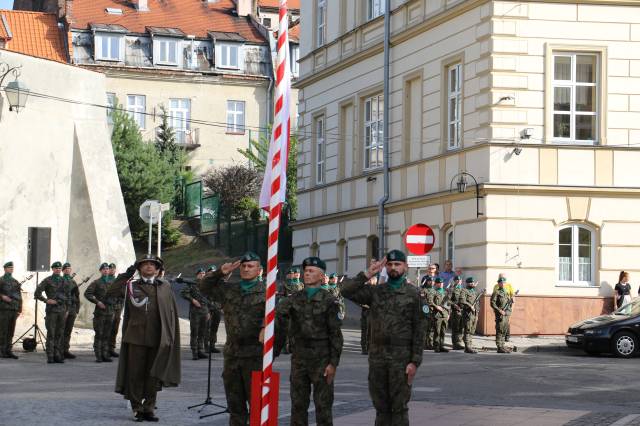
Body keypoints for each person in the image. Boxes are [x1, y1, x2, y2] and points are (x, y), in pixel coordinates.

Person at [341, 250, 426, 425]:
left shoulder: (413, 294)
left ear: (405, 266)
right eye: (389, 265)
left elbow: (419, 329)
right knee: (381, 407)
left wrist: (414, 361)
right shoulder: (376, 292)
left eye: (397, 264)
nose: (393, 268)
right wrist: (368, 273)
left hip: (401, 358)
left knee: (399, 407)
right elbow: (345, 291)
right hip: (378, 357)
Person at [107, 254, 181, 423]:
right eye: (145, 264)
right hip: (136, 338)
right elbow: (111, 292)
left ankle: (149, 408)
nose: (149, 267)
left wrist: (170, 336)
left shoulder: (165, 286)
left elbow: (170, 313)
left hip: (158, 337)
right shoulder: (131, 286)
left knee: (153, 375)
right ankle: (136, 408)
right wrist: (127, 274)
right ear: (139, 268)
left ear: (157, 269)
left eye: (152, 264)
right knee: (135, 374)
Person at [197, 252, 265, 426]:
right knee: (235, 406)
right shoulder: (229, 289)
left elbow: (279, 322)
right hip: (233, 355)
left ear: (259, 270)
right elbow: (204, 287)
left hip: (256, 356)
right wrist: (220, 272)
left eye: (251, 266)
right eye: (243, 266)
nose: (246, 269)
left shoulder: (267, 292)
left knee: (257, 404)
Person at [276, 257, 343, 425]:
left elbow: (335, 334)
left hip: (322, 359)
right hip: (299, 358)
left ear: (321, 276)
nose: (307, 273)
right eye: (305, 271)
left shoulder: (329, 301)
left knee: (323, 406)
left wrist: (333, 363)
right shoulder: (293, 299)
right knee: (298, 406)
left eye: (311, 271)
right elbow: (277, 319)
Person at [35, 261, 68, 364]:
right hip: (52, 311)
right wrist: (46, 300)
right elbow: (37, 293)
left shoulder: (64, 281)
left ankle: (57, 354)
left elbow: (69, 296)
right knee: (51, 333)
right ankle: (50, 355)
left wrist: (67, 309)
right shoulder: (48, 280)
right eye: (56, 268)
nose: (58, 269)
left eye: (59, 268)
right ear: (53, 269)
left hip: (62, 310)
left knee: (59, 333)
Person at [85, 263, 116, 363]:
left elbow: (120, 293)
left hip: (110, 311)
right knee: (99, 333)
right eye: (104, 269)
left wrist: (115, 302)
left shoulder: (113, 282)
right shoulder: (96, 282)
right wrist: (97, 302)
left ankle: (105, 354)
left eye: (107, 269)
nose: (106, 270)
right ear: (101, 271)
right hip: (100, 313)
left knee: (107, 334)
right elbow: (87, 293)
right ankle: (98, 355)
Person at [180, 268, 211, 360]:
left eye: (204, 273)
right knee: (195, 332)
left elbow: (209, 299)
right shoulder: (192, 284)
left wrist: (209, 311)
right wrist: (192, 300)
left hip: (205, 311)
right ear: (197, 275)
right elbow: (183, 293)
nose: (202, 275)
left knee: (202, 332)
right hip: (195, 312)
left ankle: (200, 350)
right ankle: (194, 352)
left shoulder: (206, 285)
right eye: (200, 273)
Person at [0, 261, 21, 359]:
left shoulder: (15, 282)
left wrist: (19, 309)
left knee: (11, 331)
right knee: (3, 330)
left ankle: (8, 350)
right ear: (5, 269)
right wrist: (2, 296)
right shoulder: (1, 280)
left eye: (12, 268)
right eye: (9, 268)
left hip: (13, 309)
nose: (11, 269)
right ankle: (1, 351)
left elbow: (19, 296)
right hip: (4, 309)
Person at [61, 262, 80, 360]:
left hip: (72, 309)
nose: (68, 270)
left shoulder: (73, 282)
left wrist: (77, 309)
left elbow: (77, 296)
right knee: (61, 330)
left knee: (68, 330)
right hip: (63, 309)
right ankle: (59, 350)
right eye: (66, 268)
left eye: (69, 268)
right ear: (63, 270)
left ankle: (65, 350)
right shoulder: (60, 281)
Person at [491, 277, 513, 353]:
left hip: (506, 314)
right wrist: (499, 311)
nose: (503, 284)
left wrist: (511, 302)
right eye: (501, 283)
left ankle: (503, 345)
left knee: (504, 330)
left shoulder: (506, 292)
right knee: (499, 330)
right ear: (499, 284)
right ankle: (499, 346)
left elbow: (508, 303)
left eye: (504, 283)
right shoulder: (496, 292)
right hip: (500, 314)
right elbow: (492, 303)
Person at [460, 277, 479, 354]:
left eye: (473, 282)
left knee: (472, 330)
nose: (472, 283)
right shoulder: (464, 291)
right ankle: (467, 347)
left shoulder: (474, 291)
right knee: (468, 329)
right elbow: (462, 300)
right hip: (468, 313)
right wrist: (469, 305)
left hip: (475, 313)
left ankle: (470, 345)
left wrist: (477, 310)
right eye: (470, 282)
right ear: (467, 283)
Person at [108, 263, 124, 358]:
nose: (112, 270)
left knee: (115, 328)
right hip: (109, 307)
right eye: (110, 269)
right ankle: (105, 348)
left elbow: (123, 293)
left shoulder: (118, 280)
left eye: (113, 269)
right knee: (107, 328)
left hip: (118, 307)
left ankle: (111, 348)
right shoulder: (106, 280)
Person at [206, 265, 222, 354]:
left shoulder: (219, 283)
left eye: (214, 272)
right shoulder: (205, 282)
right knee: (206, 327)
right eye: (211, 272)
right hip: (208, 308)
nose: (213, 273)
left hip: (217, 308)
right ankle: (205, 346)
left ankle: (212, 345)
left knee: (214, 328)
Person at [431, 277, 449, 353]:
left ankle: (441, 346)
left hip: (445, 314)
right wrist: (436, 306)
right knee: (437, 331)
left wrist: (448, 313)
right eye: (439, 283)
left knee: (443, 331)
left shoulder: (445, 292)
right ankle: (436, 346)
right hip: (437, 315)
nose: (441, 284)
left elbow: (448, 304)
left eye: (442, 283)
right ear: (436, 284)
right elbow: (430, 302)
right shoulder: (433, 292)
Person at [448, 275, 465, 350]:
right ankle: (455, 344)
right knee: (455, 328)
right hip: (455, 311)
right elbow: (447, 300)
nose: (458, 281)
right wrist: (454, 305)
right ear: (454, 281)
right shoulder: (452, 289)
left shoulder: (463, 289)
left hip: (462, 311)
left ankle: (459, 342)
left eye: (459, 280)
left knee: (461, 327)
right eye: (457, 280)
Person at [420, 275, 435, 350]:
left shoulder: (434, 290)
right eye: (430, 281)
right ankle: (424, 343)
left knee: (431, 328)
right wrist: (425, 312)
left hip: (433, 311)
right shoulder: (424, 290)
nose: (431, 282)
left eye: (432, 281)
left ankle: (430, 343)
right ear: (427, 282)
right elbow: (422, 302)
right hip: (426, 311)